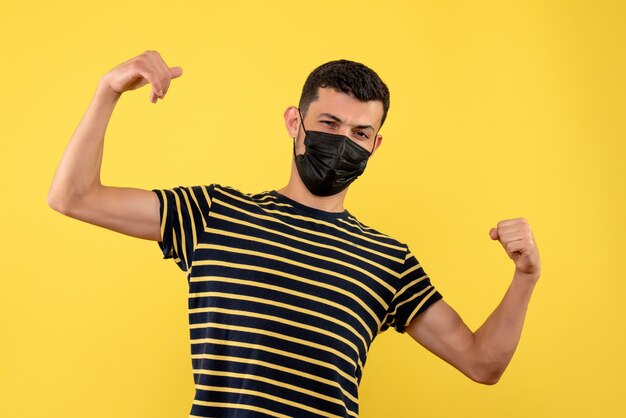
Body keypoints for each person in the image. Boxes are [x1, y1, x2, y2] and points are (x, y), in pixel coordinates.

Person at [48, 50, 541, 418]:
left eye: (360, 133)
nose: (342, 142)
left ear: (375, 145)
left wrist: (525, 276)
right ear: (294, 122)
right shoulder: (214, 214)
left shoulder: (388, 261)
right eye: (329, 122)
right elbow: (74, 196)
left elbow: (482, 364)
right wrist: (107, 91)